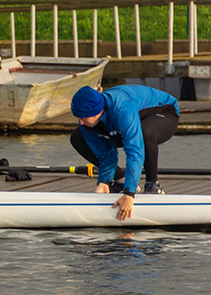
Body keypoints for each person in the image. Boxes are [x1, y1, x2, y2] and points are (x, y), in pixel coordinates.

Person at [70, 84, 179, 221]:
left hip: (165, 112)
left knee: (144, 133)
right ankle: (120, 180)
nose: (80, 122)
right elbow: (105, 153)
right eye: (78, 117)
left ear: (96, 111)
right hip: (125, 121)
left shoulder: (122, 107)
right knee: (77, 137)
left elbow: (135, 150)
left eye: (84, 118)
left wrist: (129, 194)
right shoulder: (87, 122)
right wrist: (104, 182)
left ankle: (153, 185)